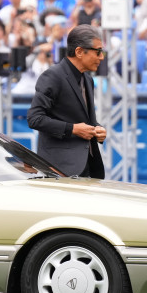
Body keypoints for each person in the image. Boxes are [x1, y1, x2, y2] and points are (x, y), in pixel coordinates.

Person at [26, 25, 107, 179]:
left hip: (87, 167)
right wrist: (73, 129)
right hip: (59, 169)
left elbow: (84, 120)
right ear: (79, 52)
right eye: (98, 51)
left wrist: (98, 129)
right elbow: (35, 118)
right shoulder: (53, 76)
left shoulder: (87, 79)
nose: (101, 57)